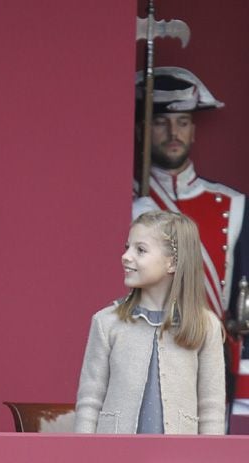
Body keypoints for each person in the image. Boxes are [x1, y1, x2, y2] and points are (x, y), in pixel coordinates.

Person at [133, 66, 249, 416]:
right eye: (161, 123)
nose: (173, 132)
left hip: (213, 356)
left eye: (182, 122)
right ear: (142, 130)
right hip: (147, 353)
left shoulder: (233, 204)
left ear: (194, 131)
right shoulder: (129, 202)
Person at [74, 210, 225, 434]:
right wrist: (83, 453)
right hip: (114, 456)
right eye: (127, 247)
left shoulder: (206, 326)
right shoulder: (106, 322)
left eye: (140, 250)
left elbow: (212, 408)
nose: (126, 256)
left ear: (172, 263)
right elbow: (89, 401)